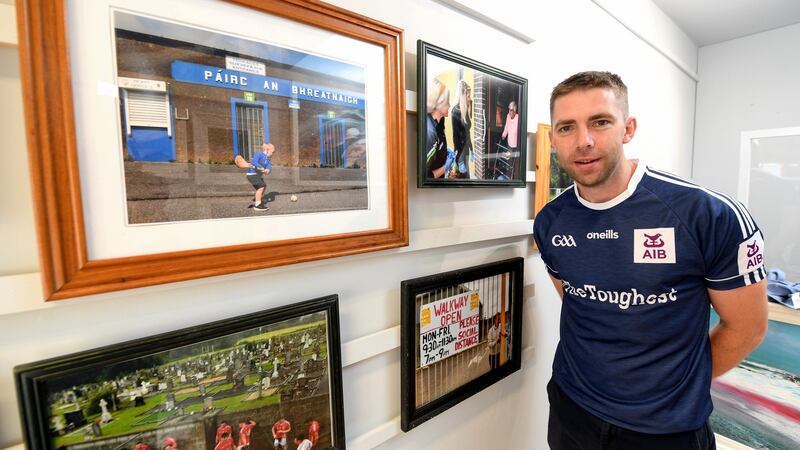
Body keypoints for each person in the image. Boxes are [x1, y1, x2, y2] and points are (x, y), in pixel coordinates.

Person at [534, 71, 768, 450]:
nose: (584, 141)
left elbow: (747, 328)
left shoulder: (708, 214)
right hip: (571, 409)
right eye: (567, 128)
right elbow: (578, 302)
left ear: (628, 128)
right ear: (553, 139)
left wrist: (676, 387)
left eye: (600, 122)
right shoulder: (549, 221)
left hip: (665, 429)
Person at [425, 78, 456, 179]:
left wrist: (444, 151)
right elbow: (426, 177)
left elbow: (438, 145)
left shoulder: (440, 121)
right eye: (447, 102)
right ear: (440, 104)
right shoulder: (430, 133)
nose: (450, 105)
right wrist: (445, 167)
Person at [450, 80, 473, 178]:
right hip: (461, 151)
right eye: (468, 96)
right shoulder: (455, 111)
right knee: (463, 177)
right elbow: (455, 137)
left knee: (467, 176)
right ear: (463, 96)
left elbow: (467, 131)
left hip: (466, 147)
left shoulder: (465, 110)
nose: (470, 98)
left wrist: (471, 149)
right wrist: (459, 160)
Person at [246, 142, 276, 211]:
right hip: (252, 174)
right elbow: (254, 162)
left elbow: (269, 166)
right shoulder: (259, 154)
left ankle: (258, 198)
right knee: (261, 186)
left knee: (263, 186)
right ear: (267, 150)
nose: (273, 154)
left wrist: (268, 170)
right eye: (272, 152)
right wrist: (260, 167)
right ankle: (257, 205)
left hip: (258, 175)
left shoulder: (268, 159)